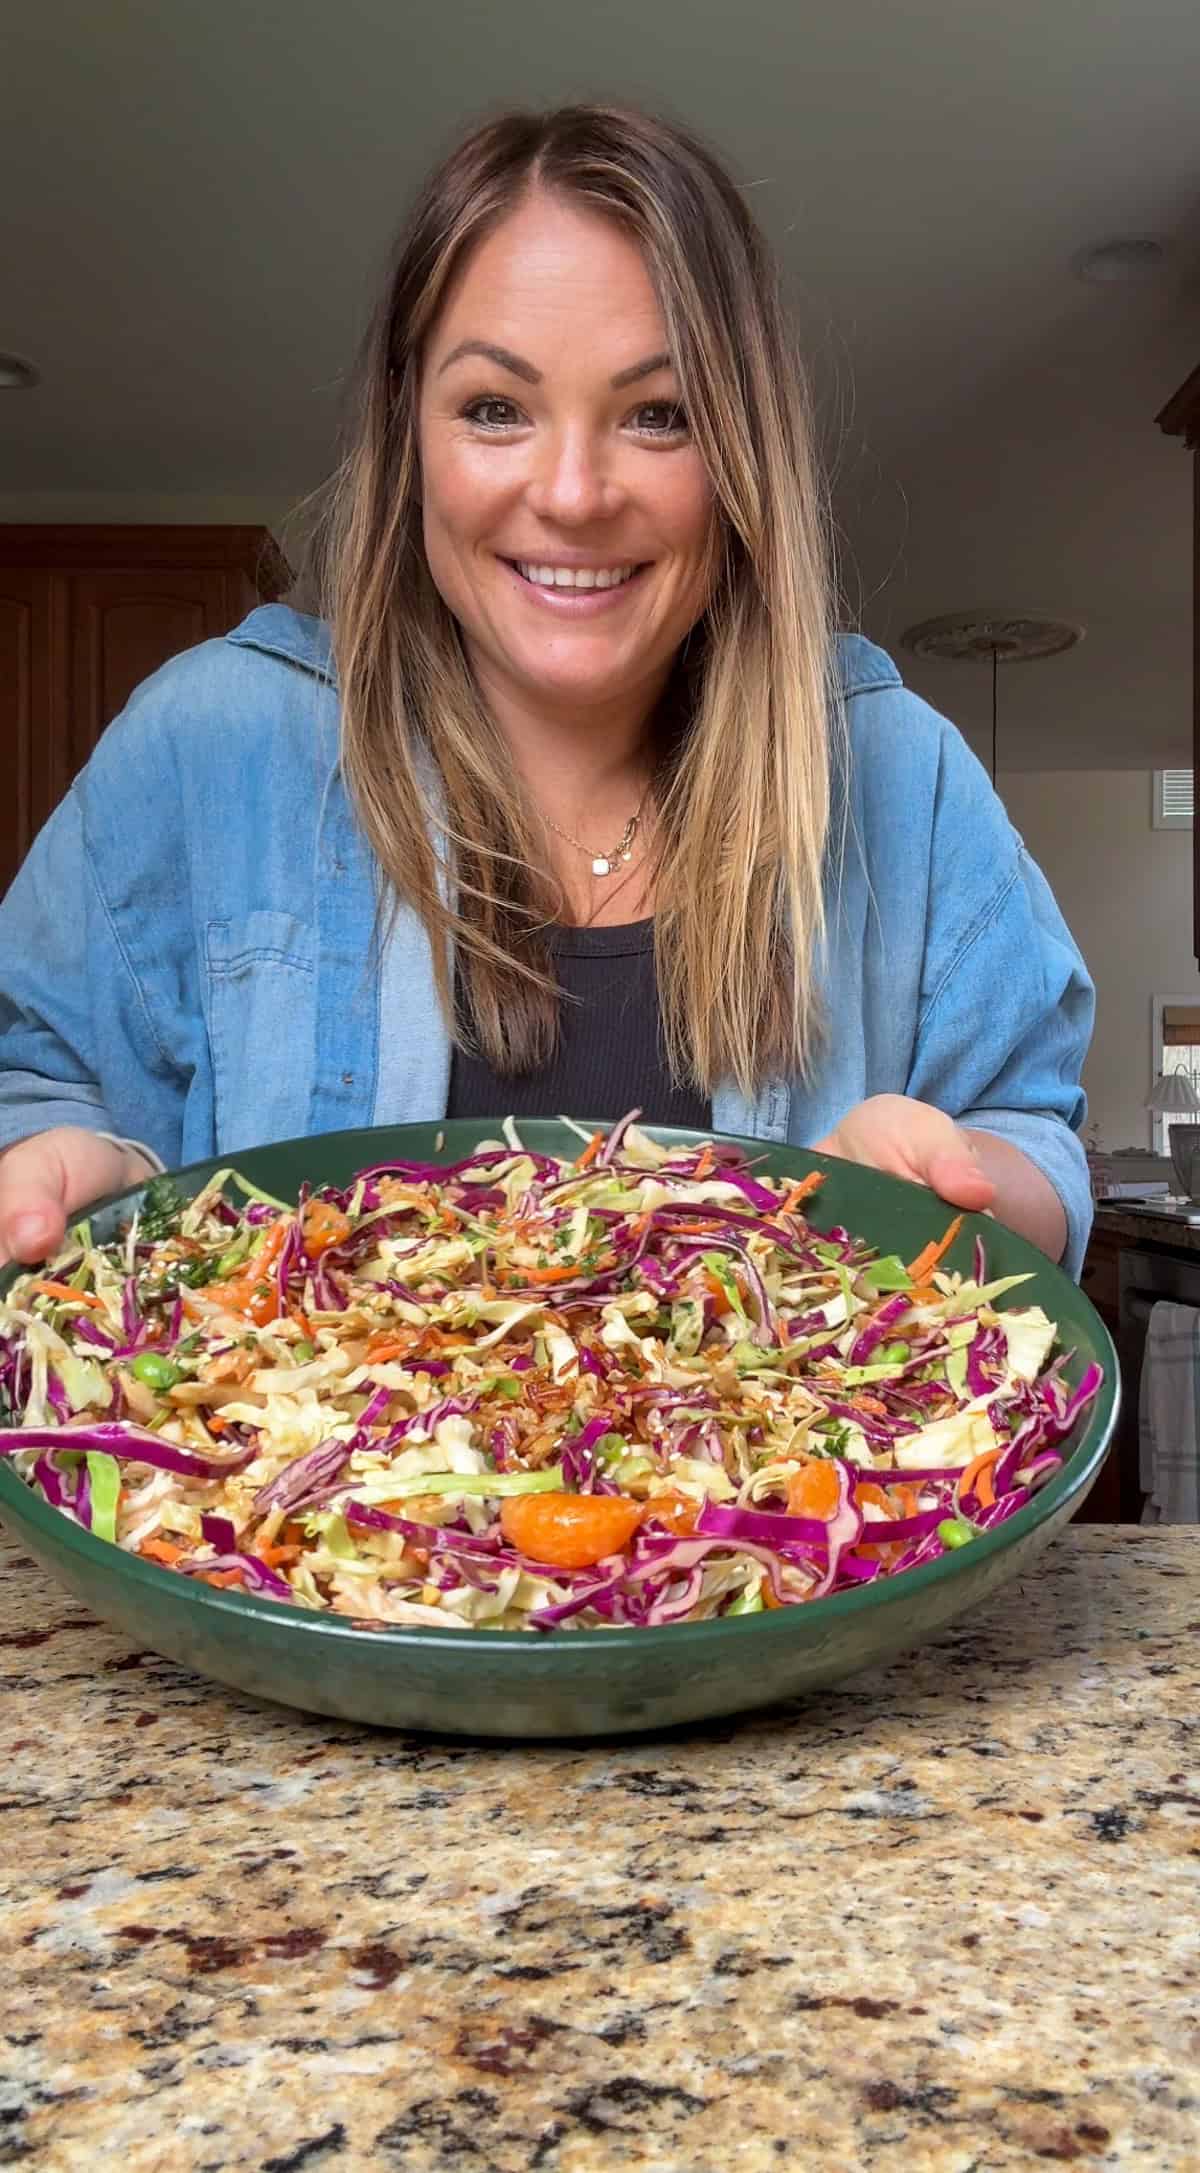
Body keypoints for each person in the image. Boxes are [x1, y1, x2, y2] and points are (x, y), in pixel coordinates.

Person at [0, 104, 1093, 1276]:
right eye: (495, 409)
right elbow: (37, 1084)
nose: (573, 493)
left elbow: (1033, 1135)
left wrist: (955, 1191)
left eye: (659, 415)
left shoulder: (902, 781)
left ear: (742, 452)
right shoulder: (205, 745)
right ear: (406, 432)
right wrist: (89, 1179)